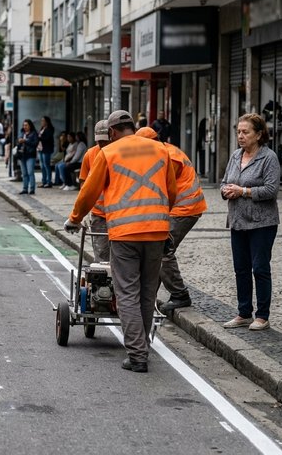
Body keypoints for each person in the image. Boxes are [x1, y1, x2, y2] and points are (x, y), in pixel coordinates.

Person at [64, 110, 177, 373]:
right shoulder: (160, 149)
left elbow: (89, 191)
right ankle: (143, 346)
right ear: (133, 127)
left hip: (125, 233)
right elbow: (171, 190)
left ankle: (138, 356)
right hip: (157, 232)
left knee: (127, 292)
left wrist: (74, 218)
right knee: (148, 292)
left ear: (112, 132)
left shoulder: (108, 152)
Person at [136, 127, 207, 313]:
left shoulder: (167, 157)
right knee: (157, 250)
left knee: (162, 250)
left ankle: (180, 295)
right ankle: (149, 294)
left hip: (185, 208)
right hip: (181, 207)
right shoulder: (165, 151)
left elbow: (161, 187)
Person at [220, 113, 280, 331]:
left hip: (262, 223)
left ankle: (262, 315)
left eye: (246, 132)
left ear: (259, 134)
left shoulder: (268, 157)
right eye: (238, 132)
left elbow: (271, 190)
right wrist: (226, 191)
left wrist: (243, 191)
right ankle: (244, 312)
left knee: (260, 268)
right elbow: (225, 181)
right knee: (241, 269)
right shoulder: (236, 156)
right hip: (237, 221)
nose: (241, 136)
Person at [78, 120, 111, 262]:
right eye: (99, 141)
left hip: (120, 214)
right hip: (99, 214)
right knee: (102, 257)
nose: (102, 144)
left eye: (105, 141)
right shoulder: (90, 155)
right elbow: (84, 184)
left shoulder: (120, 153)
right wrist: (83, 212)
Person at [17, 119, 39, 194]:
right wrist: (19, 141)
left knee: (30, 172)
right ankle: (25, 188)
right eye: (24, 125)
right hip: (22, 154)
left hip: (30, 155)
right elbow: (19, 141)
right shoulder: (22, 132)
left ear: (30, 126)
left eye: (26, 125)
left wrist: (25, 141)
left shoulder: (33, 133)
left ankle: (32, 188)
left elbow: (35, 143)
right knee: (24, 173)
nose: (25, 127)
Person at [38, 116, 55, 188]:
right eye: (41, 121)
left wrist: (39, 137)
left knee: (46, 165)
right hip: (41, 149)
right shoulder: (42, 129)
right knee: (42, 166)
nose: (42, 122)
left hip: (46, 149)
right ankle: (44, 181)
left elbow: (47, 138)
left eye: (43, 121)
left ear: (47, 122)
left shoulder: (50, 129)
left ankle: (49, 181)